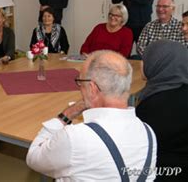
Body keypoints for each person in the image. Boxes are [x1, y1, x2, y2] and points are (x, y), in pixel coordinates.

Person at [26, 50, 157, 181]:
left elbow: (34, 157)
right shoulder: (148, 132)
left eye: (80, 82)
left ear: (92, 89)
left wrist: (66, 114)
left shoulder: (76, 137)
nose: (79, 89)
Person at [136, 40, 188, 181]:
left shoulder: (151, 105)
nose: (142, 63)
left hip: (160, 172)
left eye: (145, 58)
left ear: (158, 63)